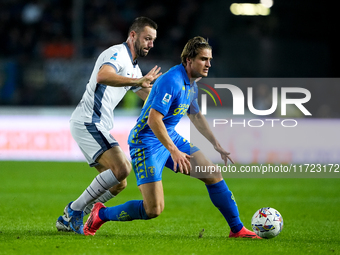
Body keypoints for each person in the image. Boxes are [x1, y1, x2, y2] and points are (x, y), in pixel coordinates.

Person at [83, 36, 261, 239]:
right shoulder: (172, 80)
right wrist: (174, 151)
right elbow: (153, 120)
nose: (208, 64)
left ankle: (237, 229)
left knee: (212, 173)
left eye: (210, 59)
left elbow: (194, 114)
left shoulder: (191, 82)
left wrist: (215, 143)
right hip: (146, 143)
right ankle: (101, 213)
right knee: (153, 209)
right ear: (188, 60)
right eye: (203, 59)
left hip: (169, 137)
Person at [56, 17, 161, 234]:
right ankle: (74, 210)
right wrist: (137, 82)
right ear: (133, 35)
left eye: (153, 40)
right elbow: (103, 75)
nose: (150, 44)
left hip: (98, 124)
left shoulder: (132, 66)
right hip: (88, 121)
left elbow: (145, 93)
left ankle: (69, 218)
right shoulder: (117, 53)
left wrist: (171, 101)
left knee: (118, 183)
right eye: (147, 38)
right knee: (122, 168)